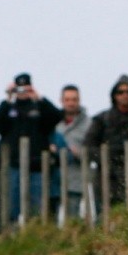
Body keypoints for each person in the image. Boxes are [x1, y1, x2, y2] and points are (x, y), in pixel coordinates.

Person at [0, 73, 62, 223]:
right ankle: (13, 233)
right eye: (19, 88)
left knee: (37, 207)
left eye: (25, 88)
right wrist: (7, 99)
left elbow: (56, 116)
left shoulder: (39, 108)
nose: (22, 92)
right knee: (13, 206)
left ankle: (35, 232)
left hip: (37, 166)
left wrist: (38, 98)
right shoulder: (10, 109)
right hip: (14, 165)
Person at [83, 74, 128, 213]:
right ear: (114, 95)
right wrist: (105, 160)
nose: (125, 95)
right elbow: (89, 145)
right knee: (105, 217)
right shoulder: (102, 120)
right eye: (121, 92)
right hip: (107, 178)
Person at [54, 85, 90, 217]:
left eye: (74, 99)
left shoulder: (88, 124)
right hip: (53, 179)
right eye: (67, 99)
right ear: (61, 101)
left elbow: (93, 151)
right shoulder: (53, 122)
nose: (71, 103)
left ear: (79, 100)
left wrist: (78, 153)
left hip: (75, 179)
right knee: (49, 222)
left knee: (72, 219)